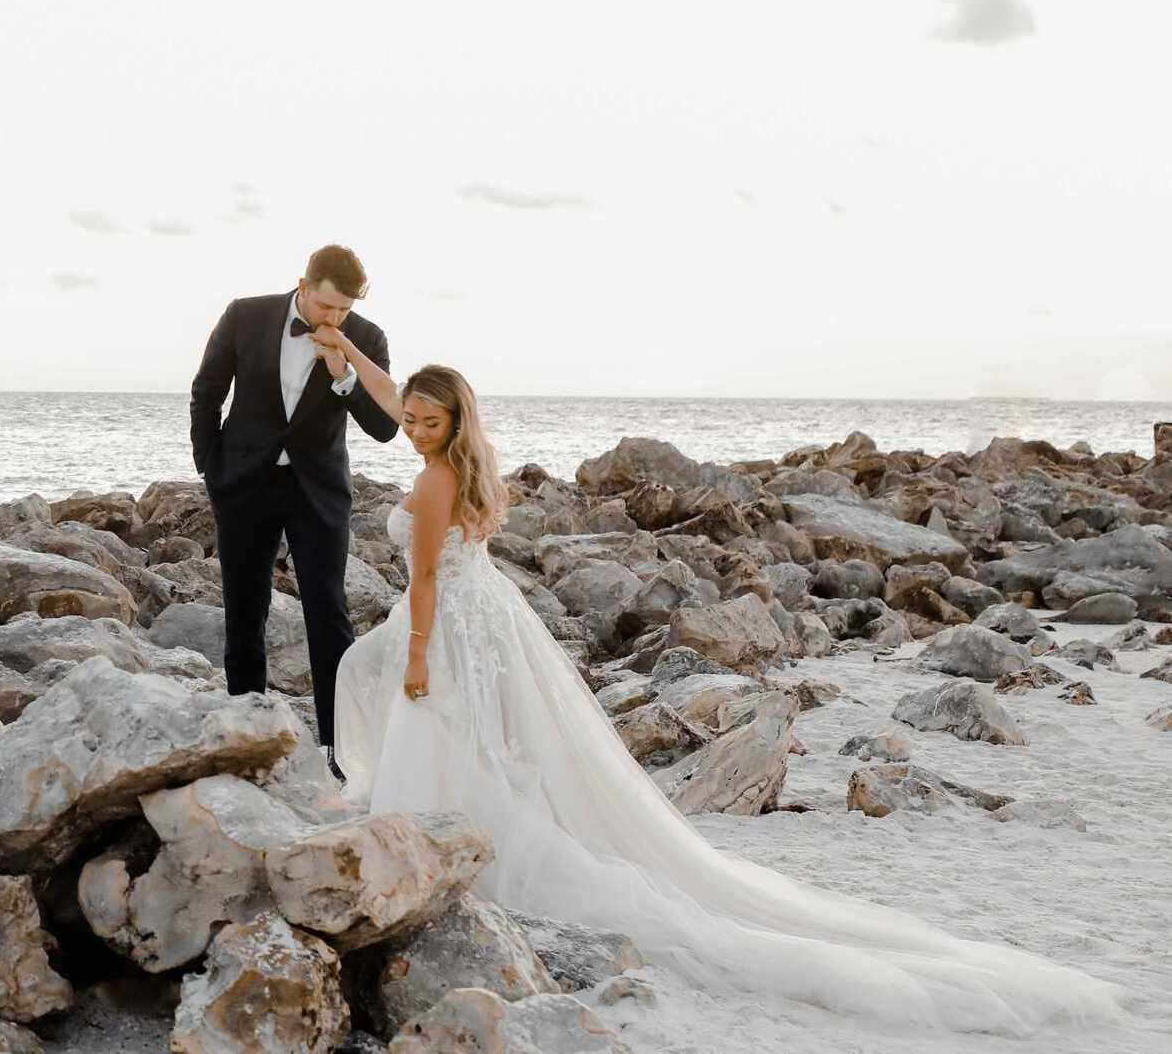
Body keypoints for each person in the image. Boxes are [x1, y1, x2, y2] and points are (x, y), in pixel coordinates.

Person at [315, 355, 1130, 1033]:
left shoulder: (427, 487)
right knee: (456, 725)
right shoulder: (461, 468)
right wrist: (347, 351)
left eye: (430, 421)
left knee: (387, 686)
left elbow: (422, 577)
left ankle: (453, 835)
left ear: (455, 420)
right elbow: (397, 403)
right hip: (489, 616)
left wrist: (417, 651)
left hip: (451, 621)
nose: (416, 429)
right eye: (412, 420)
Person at [188, 244, 396, 776]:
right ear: (303, 284)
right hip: (243, 484)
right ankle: (246, 731)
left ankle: (338, 748)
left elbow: (385, 426)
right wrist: (210, 466)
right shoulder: (246, 314)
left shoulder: (366, 340)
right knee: (244, 609)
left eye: (344, 310)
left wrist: (342, 372)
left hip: (317, 491)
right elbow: (207, 391)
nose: (334, 319)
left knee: (328, 611)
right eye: (326, 307)